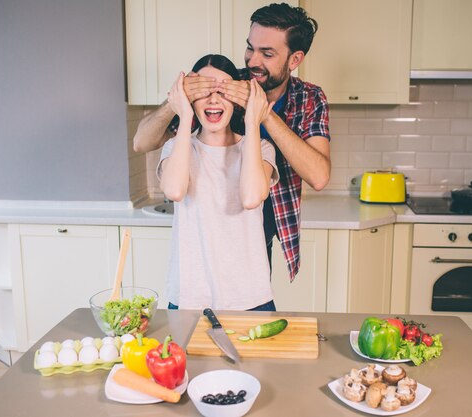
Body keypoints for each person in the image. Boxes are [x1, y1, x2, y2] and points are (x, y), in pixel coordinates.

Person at [134, 3, 330, 282]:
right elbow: (141, 142)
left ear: (295, 59)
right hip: (214, 229)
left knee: (249, 298)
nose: (252, 61)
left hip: (262, 225)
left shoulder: (310, 98)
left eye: (267, 53)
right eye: (250, 47)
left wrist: (261, 112)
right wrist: (175, 100)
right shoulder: (225, 84)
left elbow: (319, 176)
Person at [158, 54, 279, 311]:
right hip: (190, 297)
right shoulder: (176, 147)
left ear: (237, 100)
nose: (214, 99)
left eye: (224, 90)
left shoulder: (261, 148)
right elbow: (174, 190)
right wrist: (183, 113)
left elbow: (251, 197)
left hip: (250, 297)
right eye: (204, 90)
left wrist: (252, 119)